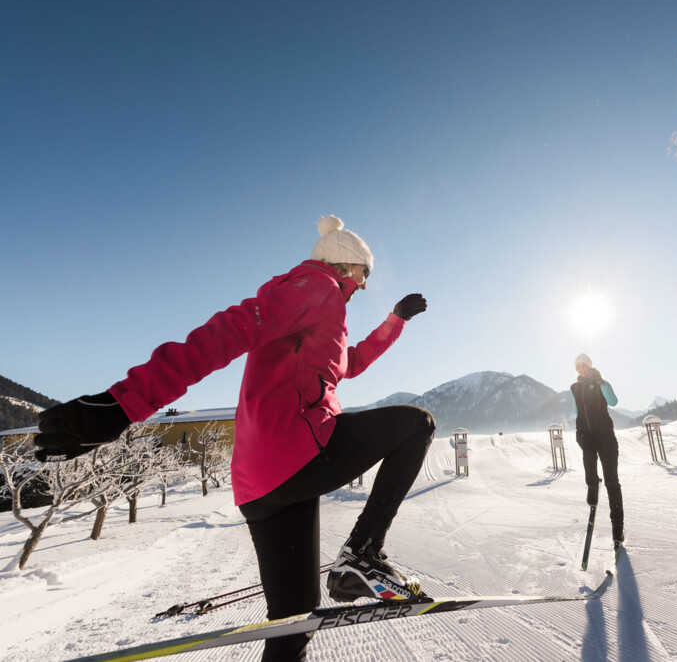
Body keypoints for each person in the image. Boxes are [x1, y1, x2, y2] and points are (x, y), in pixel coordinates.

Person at [35, 215, 435, 662]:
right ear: (347, 264)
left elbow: (349, 363)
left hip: (261, 484)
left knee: (293, 623)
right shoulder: (316, 286)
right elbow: (231, 330)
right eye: (365, 273)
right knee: (416, 424)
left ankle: (351, 568)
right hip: (296, 451)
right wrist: (125, 403)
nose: (364, 285)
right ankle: (362, 553)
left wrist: (395, 322)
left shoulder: (322, 308)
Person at [570, 353, 624, 546]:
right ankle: (592, 485)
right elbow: (578, 413)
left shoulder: (601, 383)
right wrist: (580, 434)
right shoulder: (574, 388)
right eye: (579, 367)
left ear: (590, 366)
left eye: (585, 366)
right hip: (589, 438)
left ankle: (618, 528)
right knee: (588, 461)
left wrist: (602, 383)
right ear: (577, 369)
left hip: (606, 439)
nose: (582, 369)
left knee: (612, 482)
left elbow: (613, 401)